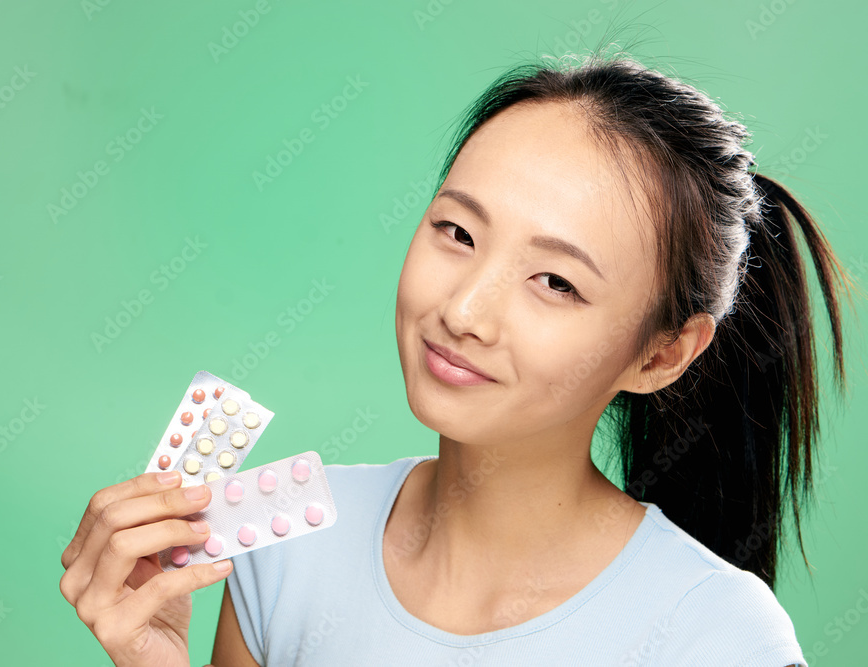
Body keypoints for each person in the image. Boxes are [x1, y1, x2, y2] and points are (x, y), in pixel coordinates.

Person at [60, 51, 854, 666]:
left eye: (554, 281)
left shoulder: (712, 635)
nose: (463, 311)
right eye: (458, 232)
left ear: (661, 354)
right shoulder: (287, 552)